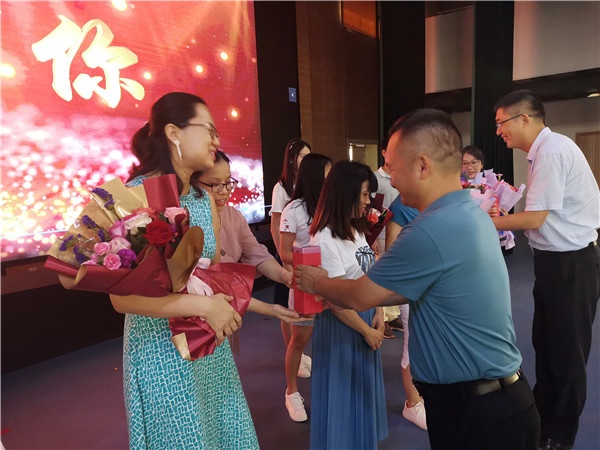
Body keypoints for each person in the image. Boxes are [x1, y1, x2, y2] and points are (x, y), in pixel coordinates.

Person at [295, 108, 540, 450]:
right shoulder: (470, 213)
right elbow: (413, 289)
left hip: (479, 414)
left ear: (422, 166)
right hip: (493, 403)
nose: (391, 181)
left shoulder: (430, 229)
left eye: (393, 169)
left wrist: (314, 282)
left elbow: (360, 295)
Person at [110, 92, 258, 449]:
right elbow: (121, 299)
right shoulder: (134, 197)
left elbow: (213, 270)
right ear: (174, 133)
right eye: (209, 129)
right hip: (160, 352)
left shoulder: (202, 199)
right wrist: (204, 306)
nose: (216, 140)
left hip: (206, 342)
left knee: (220, 433)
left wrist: (227, 305)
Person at [490, 90, 600, 450]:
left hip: (571, 264)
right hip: (554, 263)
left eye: (501, 123)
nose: (498, 131)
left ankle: (559, 435)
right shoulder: (542, 152)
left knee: (566, 354)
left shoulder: (551, 151)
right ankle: (544, 419)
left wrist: (485, 221)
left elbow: (534, 218)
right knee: (548, 346)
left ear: (524, 118)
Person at [308, 160, 388, 449]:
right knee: (344, 395)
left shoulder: (355, 229)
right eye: (364, 194)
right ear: (345, 193)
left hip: (364, 316)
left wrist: (378, 311)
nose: (368, 202)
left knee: (360, 393)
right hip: (343, 326)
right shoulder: (324, 238)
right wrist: (366, 331)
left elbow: (369, 273)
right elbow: (335, 298)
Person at [196, 149, 306, 322]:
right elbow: (212, 281)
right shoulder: (186, 220)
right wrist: (269, 309)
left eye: (228, 183)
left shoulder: (234, 216)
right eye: (215, 184)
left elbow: (256, 254)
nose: (224, 191)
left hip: (228, 313)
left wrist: (284, 275)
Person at [279, 153, 333, 422]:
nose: (331, 179)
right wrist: (310, 261)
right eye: (327, 173)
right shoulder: (293, 210)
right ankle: (291, 392)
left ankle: (331, 390)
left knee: (331, 337)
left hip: (332, 282)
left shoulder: (331, 205)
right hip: (305, 283)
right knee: (299, 340)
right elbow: (284, 252)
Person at [270, 138, 313, 378]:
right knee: (287, 307)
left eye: (308, 156)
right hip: (288, 254)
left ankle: (299, 352)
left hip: (306, 255)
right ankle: (292, 352)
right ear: (292, 159)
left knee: (303, 307)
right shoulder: (282, 188)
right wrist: (284, 260)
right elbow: (275, 226)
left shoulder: (307, 185)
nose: (306, 160)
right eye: (302, 156)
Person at [384, 195, 427, 431]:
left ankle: (424, 394)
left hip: (434, 287)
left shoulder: (434, 200)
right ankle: (412, 403)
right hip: (412, 287)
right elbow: (391, 253)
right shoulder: (401, 206)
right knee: (412, 345)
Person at [373, 137, 402, 339]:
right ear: (384, 153)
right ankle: (382, 318)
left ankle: (393, 316)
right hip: (381, 233)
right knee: (382, 276)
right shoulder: (376, 178)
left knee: (396, 275)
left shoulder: (401, 175)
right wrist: (372, 236)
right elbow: (372, 208)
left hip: (400, 232)